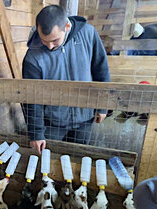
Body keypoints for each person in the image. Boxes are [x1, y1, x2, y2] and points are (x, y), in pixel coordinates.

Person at [22, 5, 110, 154]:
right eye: (44, 41)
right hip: (52, 123)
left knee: (78, 161)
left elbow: (101, 70)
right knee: (48, 163)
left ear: (67, 26)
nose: (49, 46)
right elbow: (32, 98)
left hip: (85, 119)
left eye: (55, 40)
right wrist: (36, 133)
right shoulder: (33, 57)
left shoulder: (88, 34)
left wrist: (102, 106)